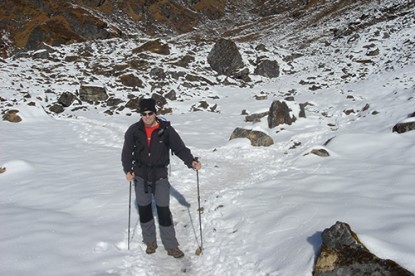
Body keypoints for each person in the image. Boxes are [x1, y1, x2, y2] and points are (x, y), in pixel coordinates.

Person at [121, 98, 201, 258]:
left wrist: (191, 161)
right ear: (141, 114)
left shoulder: (166, 130)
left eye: (150, 113)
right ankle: (150, 241)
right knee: (144, 210)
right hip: (141, 176)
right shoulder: (134, 130)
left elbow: (180, 148)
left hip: (160, 176)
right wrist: (127, 169)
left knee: (163, 210)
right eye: (144, 113)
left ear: (155, 113)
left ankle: (171, 245)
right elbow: (126, 152)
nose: (147, 116)